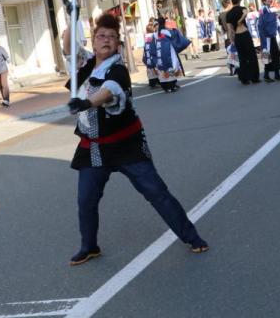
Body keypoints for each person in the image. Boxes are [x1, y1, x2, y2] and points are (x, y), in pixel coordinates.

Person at [62, 14, 208, 264]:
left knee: (156, 192)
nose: (106, 40)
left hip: (125, 144)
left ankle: (191, 237)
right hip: (94, 148)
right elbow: (67, 47)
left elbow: (108, 92)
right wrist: (70, 19)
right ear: (93, 42)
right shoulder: (85, 65)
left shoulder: (118, 70)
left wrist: (86, 102)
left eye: (111, 37)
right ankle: (89, 246)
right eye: (101, 36)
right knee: (86, 199)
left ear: (117, 44)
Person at [226, 0, 260, 85]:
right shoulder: (243, 9)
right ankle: (254, 77)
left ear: (232, 2)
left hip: (237, 36)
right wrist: (240, 19)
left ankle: (244, 79)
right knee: (251, 56)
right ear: (240, 0)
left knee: (241, 57)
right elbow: (244, 16)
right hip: (245, 34)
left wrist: (232, 40)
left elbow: (230, 29)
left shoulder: (228, 14)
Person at [258, 0, 280, 82]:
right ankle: (268, 75)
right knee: (270, 55)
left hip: (271, 35)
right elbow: (264, 22)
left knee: (275, 54)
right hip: (267, 36)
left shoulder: (269, 9)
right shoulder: (263, 9)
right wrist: (274, 16)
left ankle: (275, 74)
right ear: (263, 0)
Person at [142, 18, 159, 88]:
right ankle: (156, 81)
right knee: (155, 67)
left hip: (147, 53)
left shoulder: (146, 36)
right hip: (152, 53)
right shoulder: (153, 35)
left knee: (149, 69)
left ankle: (151, 82)